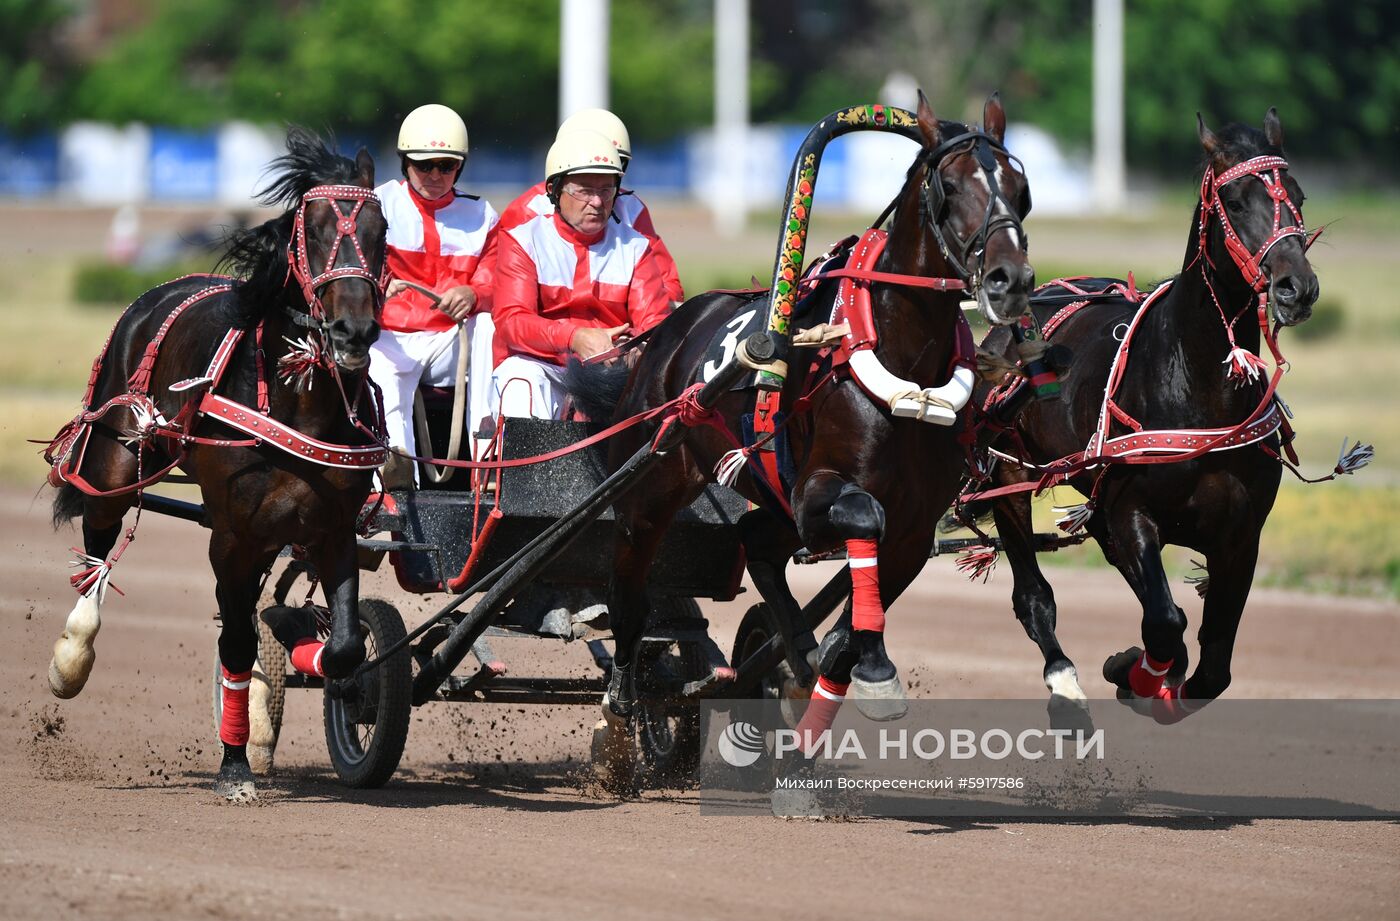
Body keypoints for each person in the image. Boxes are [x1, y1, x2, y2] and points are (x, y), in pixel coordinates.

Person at [489, 129, 670, 420]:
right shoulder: (523, 240)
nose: (597, 202)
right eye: (584, 190)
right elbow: (512, 322)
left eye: (606, 190)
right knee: (519, 379)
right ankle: (522, 467)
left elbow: (654, 322)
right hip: (541, 366)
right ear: (554, 190)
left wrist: (637, 347)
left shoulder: (636, 246)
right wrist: (575, 338)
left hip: (610, 371)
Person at [369, 103, 499, 485]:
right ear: (405, 162)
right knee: (377, 361)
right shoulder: (376, 205)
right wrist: (378, 283)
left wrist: (474, 294)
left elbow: (499, 283)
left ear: (460, 167)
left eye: (447, 165)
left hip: (449, 343)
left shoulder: (483, 215)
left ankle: (486, 447)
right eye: (424, 165)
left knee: (489, 323)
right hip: (392, 340)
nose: (435, 175)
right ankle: (396, 464)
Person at [495, 108, 683, 306]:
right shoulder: (527, 210)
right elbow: (506, 296)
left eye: (616, 163)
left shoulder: (632, 208)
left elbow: (668, 285)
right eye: (586, 177)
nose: (601, 173)